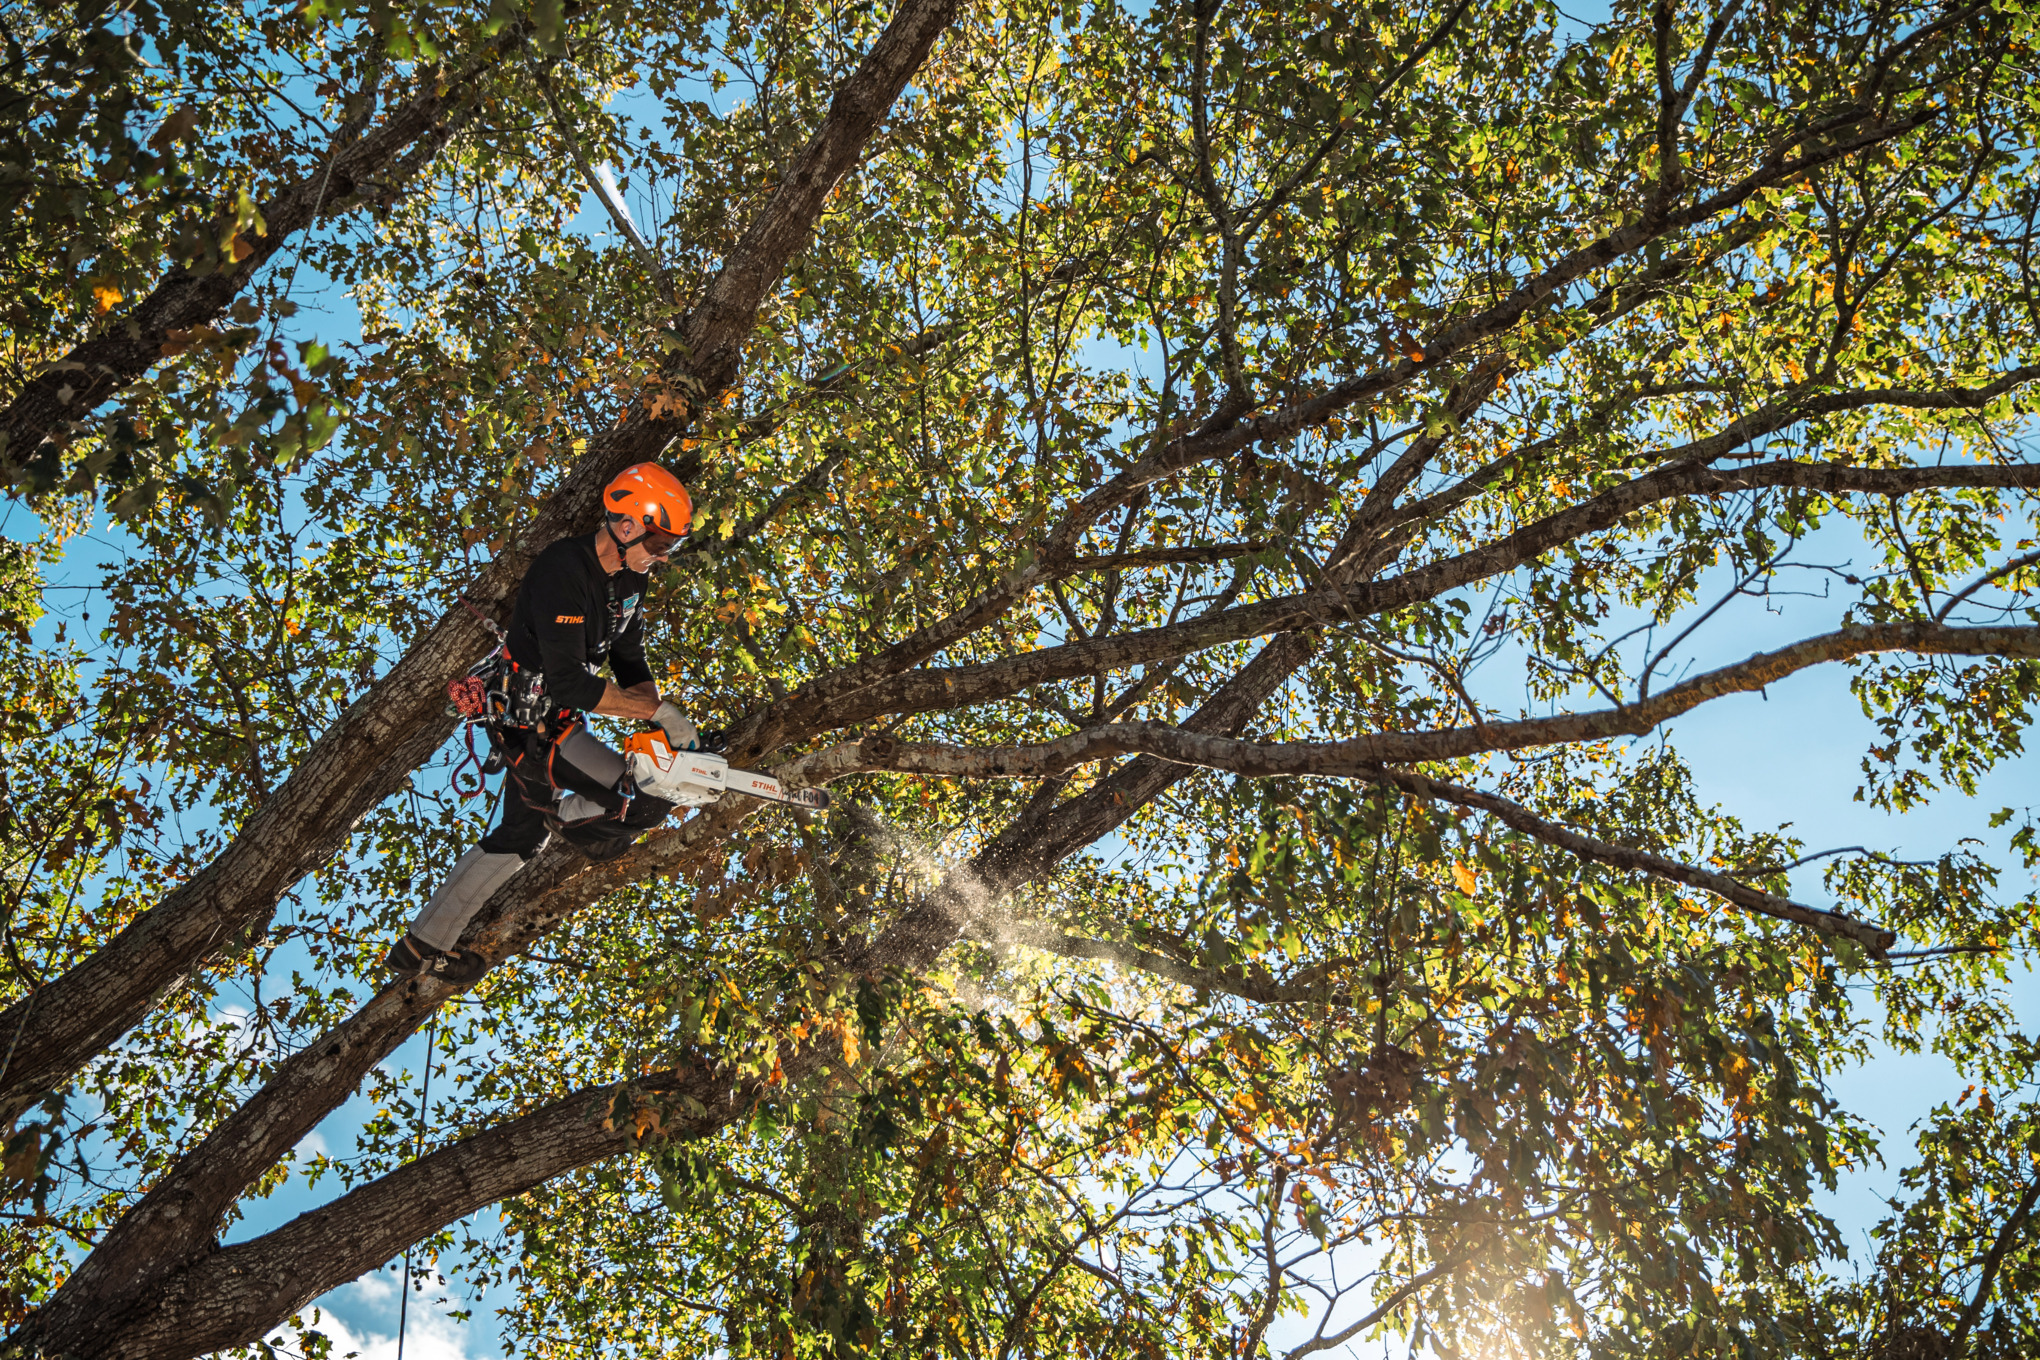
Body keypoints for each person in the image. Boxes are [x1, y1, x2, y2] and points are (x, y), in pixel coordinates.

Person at [386, 462, 711, 984]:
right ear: (627, 526)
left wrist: (661, 727)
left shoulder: (631, 578)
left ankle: (420, 947)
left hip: (555, 721)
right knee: (640, 802)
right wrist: (659, 714)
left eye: (670, 545)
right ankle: (559, 810)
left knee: (521, 836)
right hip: (528, 725)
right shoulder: (563, 570)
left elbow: (629, 659)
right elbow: (571, 684)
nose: (663, 554)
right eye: (659, 542)